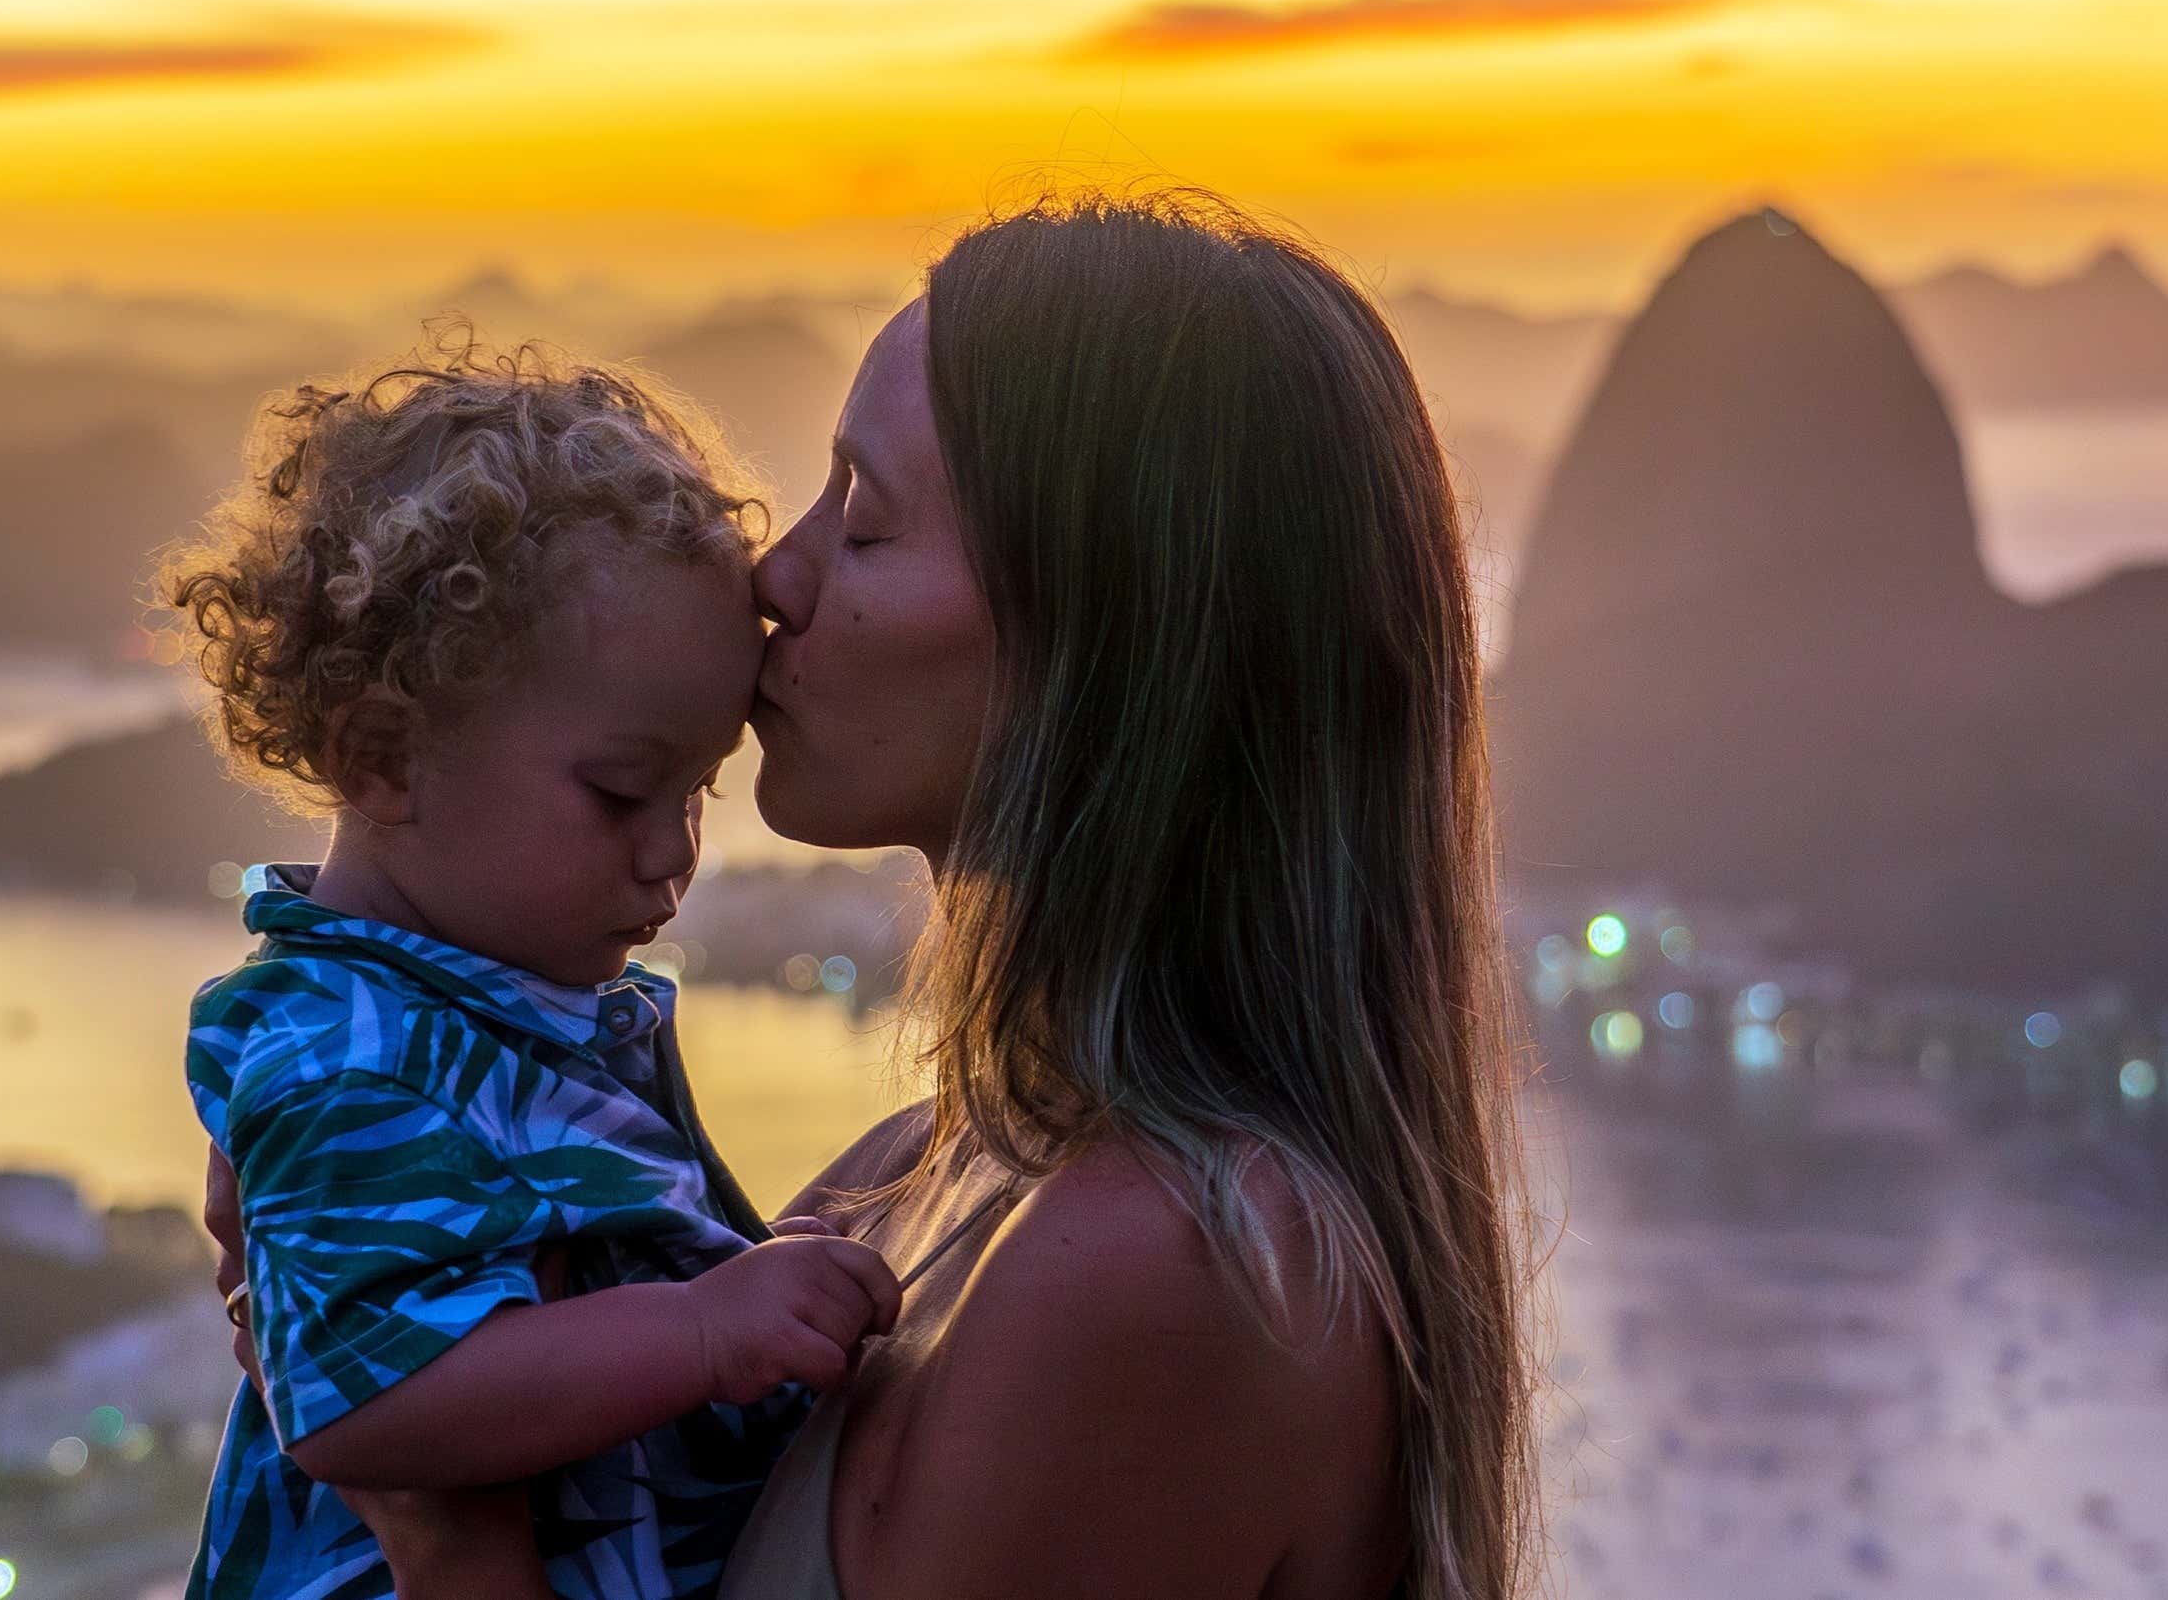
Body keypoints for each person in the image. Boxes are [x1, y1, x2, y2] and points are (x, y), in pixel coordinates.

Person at [223, 186, 1536, 1600]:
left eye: (868, 525)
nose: (776, 571)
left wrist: (436, 1520)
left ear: (1102, 647)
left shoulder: (1163, 1264)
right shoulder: (919, 1173)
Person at [159, 341, 909, 1600]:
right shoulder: (343, 1049)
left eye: (696, 789)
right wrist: (705, 1329)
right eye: (621, 788)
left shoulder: (493, 1009)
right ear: (381, 757)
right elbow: (372, 1410)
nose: (672, 851)